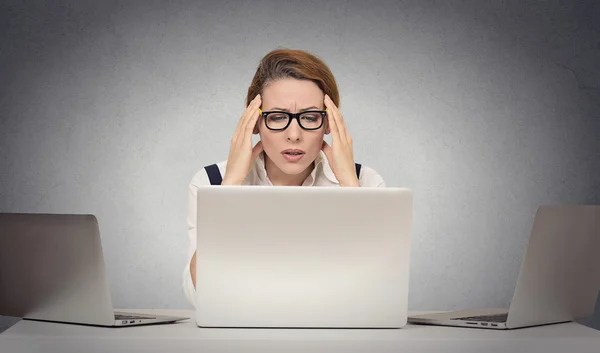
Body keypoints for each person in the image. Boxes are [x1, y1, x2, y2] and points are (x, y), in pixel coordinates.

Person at [183, 48, 386, 307]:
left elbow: (376, 293)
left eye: (310, 117)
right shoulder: (211, 182)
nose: (293, 134)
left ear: (329, 123)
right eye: (277, 117)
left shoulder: (365, 182)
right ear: (254, 122)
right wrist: (230, 186)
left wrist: (350, 186)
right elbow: (198, 292)